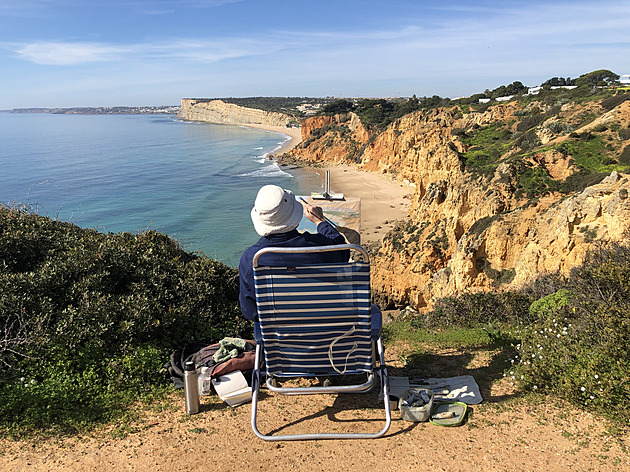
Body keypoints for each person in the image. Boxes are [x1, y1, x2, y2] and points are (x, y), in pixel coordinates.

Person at [238, 184, 349, 323]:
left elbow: (250, 312)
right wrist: (320, 222)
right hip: (328, 333)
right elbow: (343, 250)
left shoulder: (252, 259)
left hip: (278, 341)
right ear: (295, 219)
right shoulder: (319, 248)